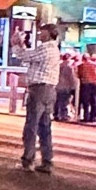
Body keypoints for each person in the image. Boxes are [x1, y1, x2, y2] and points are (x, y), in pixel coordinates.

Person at [20, 22, 60, 173]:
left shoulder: (46, 48)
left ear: (49, 34)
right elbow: (29, 58)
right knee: (44, 127)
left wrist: (17, 44)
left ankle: (28, 160)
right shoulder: (53, 49)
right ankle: (47, 161)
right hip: (49, 90)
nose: (39, 34)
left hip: (39, 89)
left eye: (42, 32)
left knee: (31, 125)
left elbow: (25, 56)